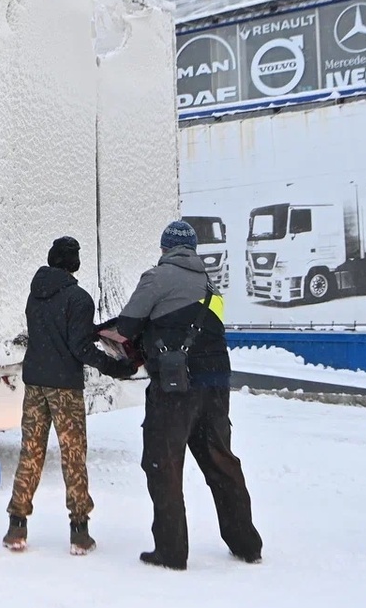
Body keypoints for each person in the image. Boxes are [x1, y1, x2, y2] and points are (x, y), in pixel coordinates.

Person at [107, 220, 262, 570]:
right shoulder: (209, 283)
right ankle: (245, 543)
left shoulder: (157, 277)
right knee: (221, 461)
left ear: (164, 249)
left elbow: (128, 327)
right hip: (217, 385)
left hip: (175, 388)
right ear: (193, 250)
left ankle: (171, 551)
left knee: (163, 463)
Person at [3, 236, 117, 555]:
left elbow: (55, 333)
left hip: (35, 381)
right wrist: (113, 365)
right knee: (73, 456)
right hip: (65, 386)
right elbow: (78, 346)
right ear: (73, 262)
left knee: (31, 452)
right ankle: (79, 532)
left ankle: (16, 526)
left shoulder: (35, 294)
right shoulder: (79, 298)